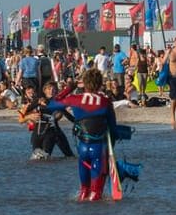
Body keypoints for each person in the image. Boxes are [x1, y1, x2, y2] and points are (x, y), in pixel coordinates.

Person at [47, 68, 139, 201]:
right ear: (100, 83)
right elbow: (112, 128)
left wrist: (69, 88)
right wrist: (110, 151)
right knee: (96, 193)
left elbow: (52, 105)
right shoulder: (105, 101)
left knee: (84, 191)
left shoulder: (74, 99)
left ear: (84, 83)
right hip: (99, 149)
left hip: (82, 148)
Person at [21, 80, 72, 160]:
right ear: (44, 90)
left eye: (53, 89)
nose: (51, 91)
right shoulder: (39, 101)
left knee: (69, 156)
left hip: (54, 133)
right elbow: (23, 113)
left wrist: (79, 123)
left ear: (56, 91)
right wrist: (29, 117)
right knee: (37, 159)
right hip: (37, 133)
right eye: (48, 89)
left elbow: (69, 117)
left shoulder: (57, 104)